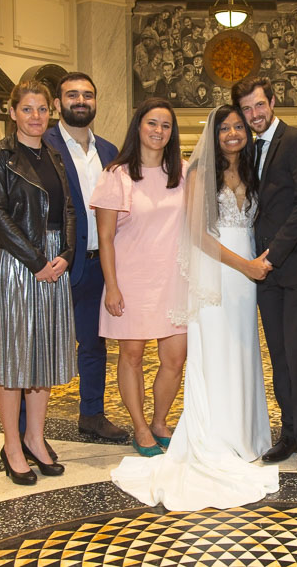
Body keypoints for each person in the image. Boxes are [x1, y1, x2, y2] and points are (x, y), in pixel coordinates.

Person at [110, 105, 278, 510]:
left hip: (248, 280)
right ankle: (214, 435)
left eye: (239, 126)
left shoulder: (252, 172)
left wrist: (255, 266)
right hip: (219, 274)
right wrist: (246, 266)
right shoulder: (199, 174)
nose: (233, 133)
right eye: (224, 128)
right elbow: (197, 235)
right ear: (213, 135)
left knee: (242, 352)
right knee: (215, 353)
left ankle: (245, 434)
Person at [0, 80, 76, 485]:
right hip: (18, 264)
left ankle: (36, 439)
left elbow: (68, 209)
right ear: (12, 111)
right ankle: (12, 445)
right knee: (14, 357)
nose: (36, 117)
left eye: (41, 110)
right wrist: (37, 260)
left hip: (53, 263)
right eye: (27, 109)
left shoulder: (54, 155)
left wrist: (66, 255)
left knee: (42, 356)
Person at [232, 76, 297, 478]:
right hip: (266, 275)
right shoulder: (248, 150)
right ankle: (287, 433)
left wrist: (272, 254)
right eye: (247, 109)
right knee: (278, 355)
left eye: (259, 105)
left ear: (272, 101)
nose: (254, 114)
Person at [91, 97, 188, 457]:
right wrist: (112, 286)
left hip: (175, 281)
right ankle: (141, 426)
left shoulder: (182, 172)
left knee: (175, 359)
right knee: (131, 356)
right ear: (138, 126)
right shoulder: (116, 175)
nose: (158, 131)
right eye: (152, 123)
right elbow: (105, 238)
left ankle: (160, 420)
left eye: (165, 125)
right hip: (131, 281)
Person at [41, 72, 128, 442]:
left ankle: (91, 414)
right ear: (58, 104)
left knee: (93, 345)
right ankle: (30, 428)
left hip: (97, 266)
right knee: (42, 345)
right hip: (55, 265)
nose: (81, 101)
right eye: (72, 95)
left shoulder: (109, 151)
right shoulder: (40, 146)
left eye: (88, 95)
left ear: (96, 102)